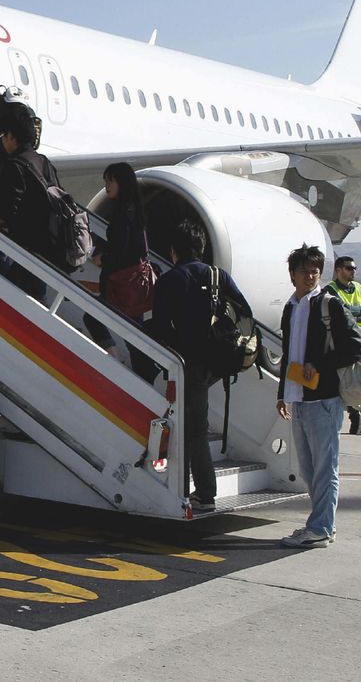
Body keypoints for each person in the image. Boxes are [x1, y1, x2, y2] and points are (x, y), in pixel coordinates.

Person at [149, 220, 252, 510]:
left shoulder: (170, 280)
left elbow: (159, 327)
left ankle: (204, 492)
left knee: (194, 428)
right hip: (217, 363)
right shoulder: (218, 275)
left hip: (188, 363)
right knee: (194, 422)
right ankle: (196, 487)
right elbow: (245, 311)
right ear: (202, 247)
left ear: (173, 251)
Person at [277, 243, 361, 547]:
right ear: (292, 275)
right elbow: (289, 353)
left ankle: (321, 528)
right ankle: (318, 524)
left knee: (325, 469)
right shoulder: (291, 307)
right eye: (304, 271)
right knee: (308, 470)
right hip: (299, 400)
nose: (310, 276)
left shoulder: (329, 305)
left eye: (315, 271)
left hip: (325, 400)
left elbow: (356, 348)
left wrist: (320, 364)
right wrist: (283, 392)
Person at [0, 98, 60, 297]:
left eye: (3, 136)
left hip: (25, 245)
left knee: (22, 293)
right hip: (45, 242)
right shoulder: (43, 161)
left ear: (12, 137)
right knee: (35, 293)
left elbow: (8, 208)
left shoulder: (15, 165)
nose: (2, 141)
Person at [94, 161, 154, 378]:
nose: (107, 185)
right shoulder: (134, 210)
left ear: (122, 183)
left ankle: (117, 362)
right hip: (132, 285)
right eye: (106, 181)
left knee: (93, 317)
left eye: (111, 180)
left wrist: (103, 258)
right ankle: (145, 375)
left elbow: (121, 251)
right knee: (133, 333)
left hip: (121, 285)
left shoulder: (122, 214)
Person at [327, 255, 361, 436]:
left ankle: (357, 420)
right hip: (344, 340)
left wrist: (357, 314)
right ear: (338, 270)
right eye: (349, 268)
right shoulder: (331, 290)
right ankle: (354, 420)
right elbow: (342, 312)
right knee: (347, 380)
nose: (353, 271)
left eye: (354, 268)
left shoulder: (358, 288)